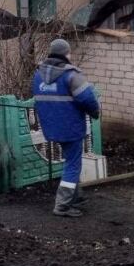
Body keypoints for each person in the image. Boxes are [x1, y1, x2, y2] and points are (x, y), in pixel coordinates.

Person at [32, 38, 100, 217]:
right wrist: (95, 112)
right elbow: (88, 99)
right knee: (72, 165)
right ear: (66, 54)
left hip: (51, 127)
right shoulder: (71, 75)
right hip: (70, 127)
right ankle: (62, 206)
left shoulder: (38, 75)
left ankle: (75, 197)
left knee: (71, 160)